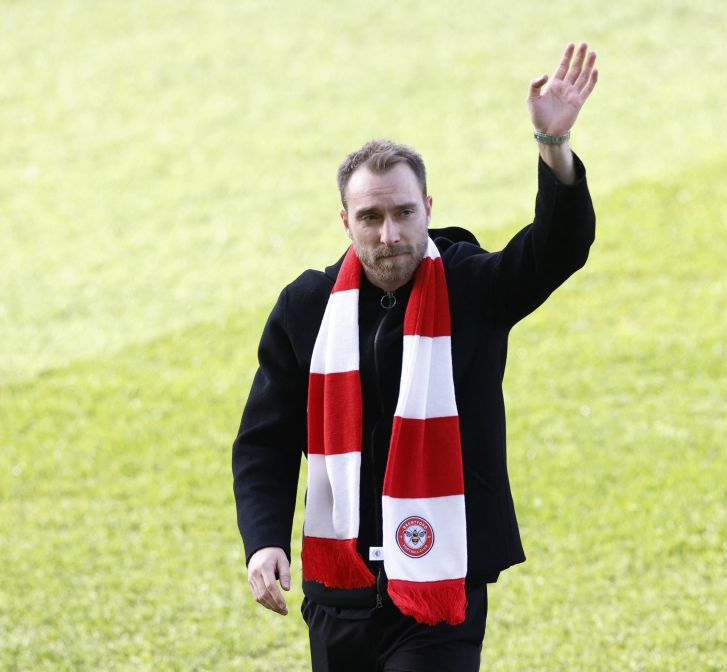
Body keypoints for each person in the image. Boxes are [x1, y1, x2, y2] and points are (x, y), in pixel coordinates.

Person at [232, 42, 598, 671]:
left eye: (404, 213)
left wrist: (552, 143)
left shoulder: (472, 287)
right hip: (338, 590)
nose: (389, 234)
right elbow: (265, 439)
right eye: (370, 217)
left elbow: (557, 247)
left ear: (428, 209)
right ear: (344, 221)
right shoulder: (307, 306)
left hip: (441, 590)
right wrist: (263, 542)